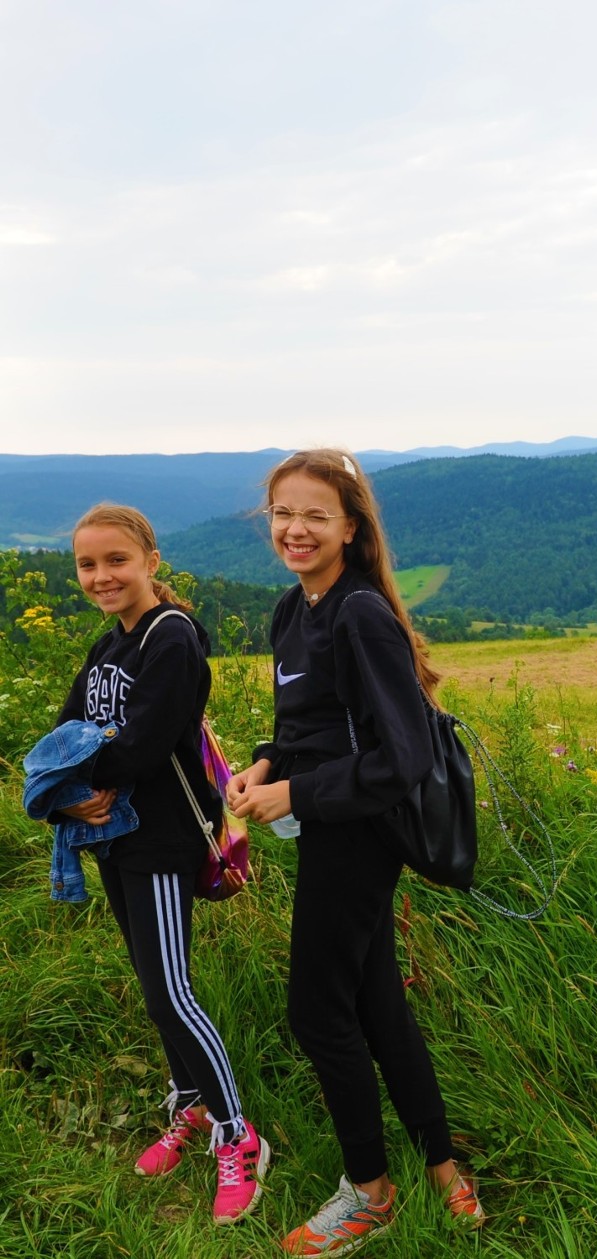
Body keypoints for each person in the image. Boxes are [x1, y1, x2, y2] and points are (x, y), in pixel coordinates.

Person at [227, 448, 484, 1254]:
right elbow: (305, 723)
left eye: (314, 515)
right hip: (330, 827)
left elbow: (402, 757)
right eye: (282, 513)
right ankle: (444, 1170)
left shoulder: (358, 614)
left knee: (316, 1011)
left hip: (360, 835)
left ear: (350, 526)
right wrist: (266, 763)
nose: (295, 528)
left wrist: (294, 795)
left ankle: (369, 1190)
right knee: (377, 1003)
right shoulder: (292, 610)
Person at [51, 503, 269, 1225]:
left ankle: (239, 1136)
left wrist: (74, 780)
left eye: (116, 560)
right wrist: (66, 795)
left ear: (150, 559)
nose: (102, 576)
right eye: (88, 563)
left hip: (163, 839)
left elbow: (141, 745)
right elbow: (62, 731)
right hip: (116, 834)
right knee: (153, 988)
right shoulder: (108, 644)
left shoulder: (170, 639)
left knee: (172, 992)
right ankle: (191, 1107)